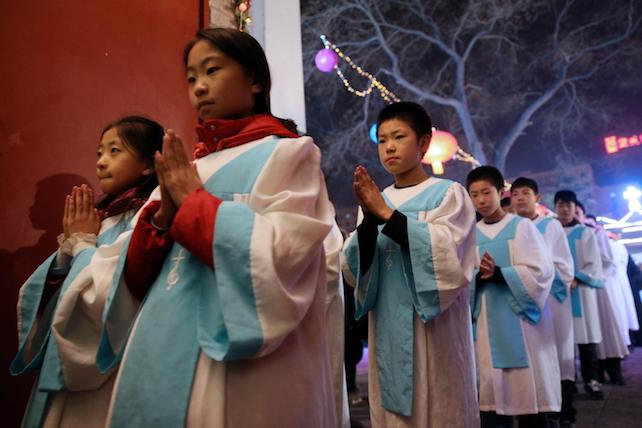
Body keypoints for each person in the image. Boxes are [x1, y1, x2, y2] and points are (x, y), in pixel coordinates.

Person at [98, 28, 337, 427]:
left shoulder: (289, 153)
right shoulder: (185, 167)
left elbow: (283, 256)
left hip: (235, 361)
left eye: (212, 70)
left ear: (255, 80)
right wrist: (161, 220)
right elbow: (135, 276)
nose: (199, 87)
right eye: (191, 78)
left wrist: (194, 205)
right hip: (160, 344)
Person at [12, 116, 164, 427]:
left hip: (110, 370)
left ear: (148, 165)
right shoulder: (103, 219)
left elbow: (112, 294)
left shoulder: (148, 219)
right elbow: (52, 292)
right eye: (99, 153)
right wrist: (70, 249)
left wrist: (82, 244)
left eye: (114, 151)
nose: (101, 162)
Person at [343, 101, 479, 427]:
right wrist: (368, 223)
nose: (389, 147)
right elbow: (352, 268)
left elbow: (448, 256)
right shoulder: (376, 201)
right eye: (382, 140)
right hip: (387, 324)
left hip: (432, 331)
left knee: (438, 408)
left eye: (399, 137)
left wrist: (387, 216)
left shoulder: (448, 194)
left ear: (423, 143)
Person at [467, 167, 558, 428]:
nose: (481, 200)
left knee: (527, 394)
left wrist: (501, 274)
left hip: (521, 322)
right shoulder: (471, 234)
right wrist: (476, 277)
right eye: (474, 195)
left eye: (486, 192)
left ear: (501, 192)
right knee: (492, 398)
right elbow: (463, 277)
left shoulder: (522, 227)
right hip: (486, 321)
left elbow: (541, 271)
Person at [511, 177, 576, 426]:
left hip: (551, 301)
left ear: (537, 198)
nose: (519, 198)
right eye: (515, 194)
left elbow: (564, 266)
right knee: (531, 358)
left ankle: (565, 411)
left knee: (557, 353)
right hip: (522, 301)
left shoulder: (550, 226)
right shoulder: (511, 226)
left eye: (525, 193)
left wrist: (537, 279)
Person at [554, 191, 604, 399]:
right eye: (560, 205)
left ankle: (592, 380)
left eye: (568, 205)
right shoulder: (551, 231)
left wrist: (576, 278)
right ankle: (567, 382)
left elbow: (594, 263)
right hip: (557, 293)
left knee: (586, 340)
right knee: (562, 341)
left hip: (581, 293)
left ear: (575, 208)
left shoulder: (586, 233)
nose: (564, 209)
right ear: (555, 207)